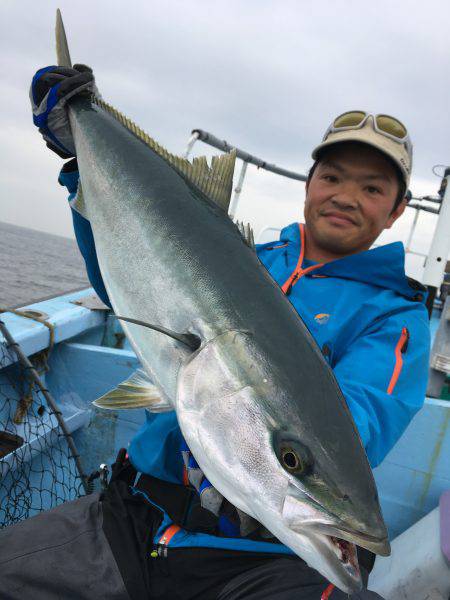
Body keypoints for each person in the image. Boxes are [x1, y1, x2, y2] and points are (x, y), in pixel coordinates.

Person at [0, 67, 430, 600]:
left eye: (372, 188)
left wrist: (292, 459)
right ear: (310, 183)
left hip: (259, 561)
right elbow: (125, 289)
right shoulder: (245, 259)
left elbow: (353, 428)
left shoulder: (393, 319)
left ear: (397, 210)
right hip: (134, 515)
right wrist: (80, 161)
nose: (346, 196)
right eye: (333, 177)